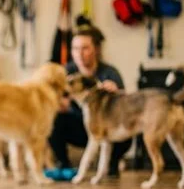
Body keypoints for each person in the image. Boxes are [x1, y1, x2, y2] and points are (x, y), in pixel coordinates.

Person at [48, 26, 133, 177]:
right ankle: (64, 166)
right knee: (52, 120)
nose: (79, 54)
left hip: (104, 126)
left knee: (127, 129)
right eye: (75, 49)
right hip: (78, 126)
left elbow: (123, 105)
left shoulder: (109, 72)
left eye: (85, 48)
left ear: (96, 49)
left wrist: (117, 93)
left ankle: (111, 165)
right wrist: (60, 104)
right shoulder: (65, 71)